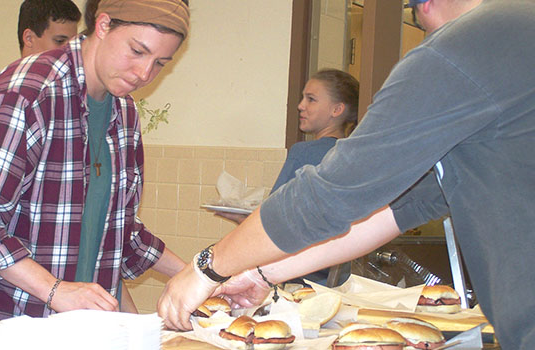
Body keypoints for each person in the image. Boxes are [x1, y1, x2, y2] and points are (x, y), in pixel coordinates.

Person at [158, 0, 535, 349]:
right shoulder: (514, 41)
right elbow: (393, 211)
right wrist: (262, 274)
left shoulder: (464, 46)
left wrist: (207, 267)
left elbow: (329, 198)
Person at [0, 0, 190, 338]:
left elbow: (119, 232)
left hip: (73, 333)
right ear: (103, 25)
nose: (144, 73)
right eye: (136, 51)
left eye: (159, 63)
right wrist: (56, 290)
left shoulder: (124, 114)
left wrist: (200, 276)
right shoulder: (28, 92)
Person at [217, 69, 359, 286]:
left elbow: (271, 221)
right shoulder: (355, 155)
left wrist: (241, 219)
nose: (301, 105)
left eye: (311, 99)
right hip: (340, 277)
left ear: (337, 109)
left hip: (300, 278)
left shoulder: (304, 152)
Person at [0, 0, 82, 138]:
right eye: (60, 41)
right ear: (29, 38)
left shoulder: (76, 99)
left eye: (73, 44)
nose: (69, 51)